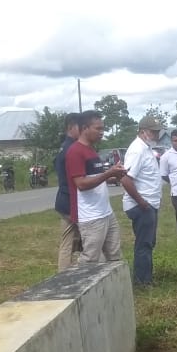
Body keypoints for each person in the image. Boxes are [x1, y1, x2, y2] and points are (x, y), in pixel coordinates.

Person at [65, 110, 125, 264]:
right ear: (85, 128)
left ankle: (114, 286)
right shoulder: (75, 152)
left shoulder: (91, 150)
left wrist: (113, 177)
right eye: (98, 129)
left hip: (105, 211)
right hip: (90, 216)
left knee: (115, 254)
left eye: (102, 128)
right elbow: (81, 184)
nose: (102, 133)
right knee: (90, 258)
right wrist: (108, 173)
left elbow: (95, 180)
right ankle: (80, 286)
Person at [120, 116, 164, 287]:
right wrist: (142, 203)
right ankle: (142, 282)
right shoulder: (137, 150)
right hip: (142, 205)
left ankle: (146, 278)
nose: (156, 134)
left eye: (157, 131)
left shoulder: (146, 148)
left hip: (149, 203)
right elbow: (126, 180)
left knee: (148, 242)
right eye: (152, 131)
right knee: (144, 244)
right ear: (142, 131)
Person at [53, 112, 81, 270]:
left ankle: (63, 276)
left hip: (64, 200)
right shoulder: (72, 149)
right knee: (92, 239)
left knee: (67, 242)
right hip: (72, 201)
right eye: (80, 127)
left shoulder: (63, 146)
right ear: (71, 127)